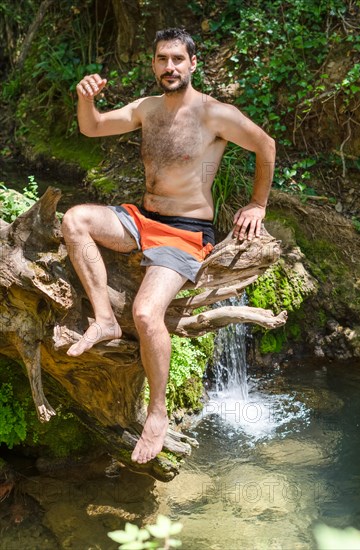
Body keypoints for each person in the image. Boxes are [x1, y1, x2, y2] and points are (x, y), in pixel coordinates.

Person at [61, 27, 275, 464]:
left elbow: (265, 145)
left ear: (193, 64)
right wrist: (85, 97)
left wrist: (257, 204)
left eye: (178, 59)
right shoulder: (148, 108)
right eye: (162, 59)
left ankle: (157, 413)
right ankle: (103, 319)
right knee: (75, 218)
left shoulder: (215, 113)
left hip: (185, 232)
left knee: (145, 312)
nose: (170, 67)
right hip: (141, 220)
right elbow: (93, 127)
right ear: (154, 64)